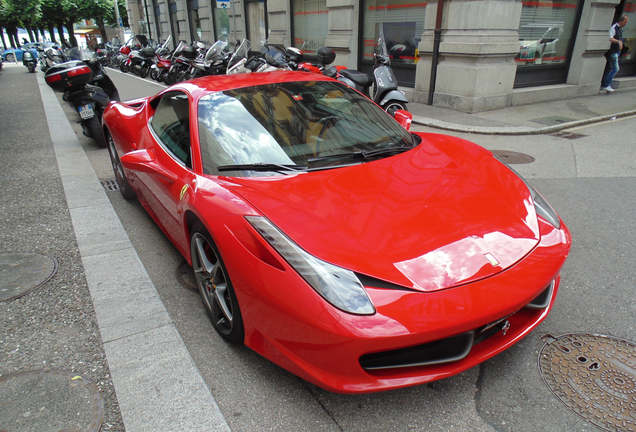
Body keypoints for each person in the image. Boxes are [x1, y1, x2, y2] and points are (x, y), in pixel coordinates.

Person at [601, 15, 629, 93]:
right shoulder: (614, 28)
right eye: (625, 22)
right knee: (615, 68)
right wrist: (618, 41)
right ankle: (607, 84)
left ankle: (604, 84)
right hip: (612, 52)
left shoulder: (619, 29)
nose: (625, 23)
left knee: (609, 68)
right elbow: (610, 38)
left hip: (616, 52)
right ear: (620, 21)